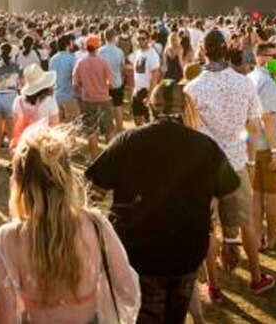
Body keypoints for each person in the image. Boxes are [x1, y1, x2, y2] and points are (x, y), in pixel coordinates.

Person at [87, 80, 239, 324]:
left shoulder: (127, 141)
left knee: (144, 316)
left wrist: (93, 235)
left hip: (139, 253)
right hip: (186, 253)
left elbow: (94, 191)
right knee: (174, 317)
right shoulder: (204, 146)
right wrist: (231, 240)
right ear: (184, 108)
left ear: (150, 107)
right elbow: (229, 195)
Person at [0, 126, 140, 323]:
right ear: (67, 176)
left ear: (20, 180)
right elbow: (128, 291)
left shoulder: (10, 238)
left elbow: (3, 319)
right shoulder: (95, 226)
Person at [184, 29, 276, 294]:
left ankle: (213, 286)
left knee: (208, 227)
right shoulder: (244, 83)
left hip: (206, 166)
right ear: (226, 50)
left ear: (203, 51)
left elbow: (191, 130)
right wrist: (248, 157)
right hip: (235, 163)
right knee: (246, 223)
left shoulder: (192, 88)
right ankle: (256, 277)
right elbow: (254, 126)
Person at [248, 42, 276, 253]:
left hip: (252, 146)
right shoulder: (268, 83)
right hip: (270, 145)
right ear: (263, 58)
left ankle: (255, 237)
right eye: (275, 56)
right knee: (273, 195)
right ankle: (271, 239)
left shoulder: (250, 78)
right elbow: (268, 118)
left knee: (255, 194)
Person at [74, 34, 115, 161]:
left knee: (91, 131)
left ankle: (95, 160)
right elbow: (111, 83)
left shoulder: (80, 63)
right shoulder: (103, 62)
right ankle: (111, 159)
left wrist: (85, 86)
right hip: (103, 99)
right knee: (109, 129)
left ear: (86, 47)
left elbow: (75, 83)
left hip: (87, 100)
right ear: (98, 46)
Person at [11, 63, 58, 152]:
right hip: (43, 144)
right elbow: (54, 126)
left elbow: (15, 123)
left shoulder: (18, 101)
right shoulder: (49, 102)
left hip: (23, 144)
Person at [0, 42, 22, 161]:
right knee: (11, 134)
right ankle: (15, 160)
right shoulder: (16, 66)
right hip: (11, 97)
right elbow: (21, 85)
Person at [130, 29, 161, 126]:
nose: (140, 41)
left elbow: (155, 77)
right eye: (138, 39)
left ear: (148, 40)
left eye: (143, 39)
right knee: (136, 119)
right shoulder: (138, 52)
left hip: (147, 92)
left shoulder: (152, 55)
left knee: (148, 123)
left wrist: (149, 96)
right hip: (137, 91)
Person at [99, 28, 127, 132]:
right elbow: (122, 68)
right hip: (116, 82)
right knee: (118, 106)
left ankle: (107, 129)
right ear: (114, 37)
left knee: (105, 107)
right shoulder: (119, 52)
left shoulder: (100, 51)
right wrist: (122, 79)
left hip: (104, 83)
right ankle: (120, 128)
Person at [49, 34, 81, 123]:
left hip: (57, 96)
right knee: (74, 127)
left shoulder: (52, 59)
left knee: (60, 128)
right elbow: (76, 77)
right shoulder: (72, 58)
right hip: (70, 96)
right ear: (67, 45)